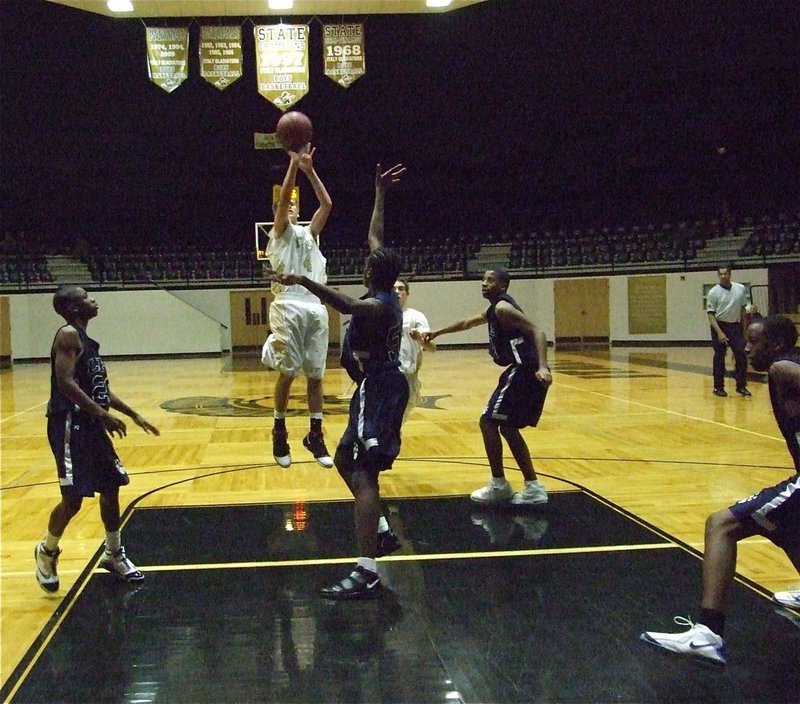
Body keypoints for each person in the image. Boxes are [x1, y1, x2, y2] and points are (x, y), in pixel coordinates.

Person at [272, 163, 408, 599]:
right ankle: (381, 530)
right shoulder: (382, 281)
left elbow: (345, 304)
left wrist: (301, 280)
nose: (365, 264)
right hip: (372, 387)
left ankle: (367, 566)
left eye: (368, 265)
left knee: (365, 474)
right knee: (347, 461)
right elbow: (376, 238)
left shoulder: (379, 305)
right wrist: (380, 193)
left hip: (381, 387)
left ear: (373, 276)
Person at [641, 314, 800, 665]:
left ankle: (707, 633)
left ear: (774, 344)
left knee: (721, 524)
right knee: (786, 528)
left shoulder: (783, 368)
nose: (744, 347)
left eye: (753, 341)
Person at [35, 286, 160, 593]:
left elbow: (100, 389)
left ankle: (113, 553)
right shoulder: (67, 335)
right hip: (69, 424)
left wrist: (132, 413)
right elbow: (64, 382)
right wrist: (102, 416)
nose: (94, 300)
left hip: (90, 424)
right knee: (74, 499)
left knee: (111, 485)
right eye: (87, 298)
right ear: (75, 309)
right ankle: (47, 551)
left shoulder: (86, 342)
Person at [424, 270, 552, 506]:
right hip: (521, 370)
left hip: (526, 370)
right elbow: (466, 323)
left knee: (488, 421)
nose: (484, 284)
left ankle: (500, 484)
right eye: (483, 280)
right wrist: (437, 333)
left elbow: (538, 331)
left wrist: (543, 367)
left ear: (503, 285)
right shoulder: (494, 310)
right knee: (507, 427)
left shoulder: (504, 309)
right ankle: (532, 486)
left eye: (490, 280)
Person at [262, 144, 334, 468]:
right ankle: (279, 430)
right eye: (283, 204)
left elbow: (327, 203)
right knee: (288, 373)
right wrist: (292, 165)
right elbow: (285, 196)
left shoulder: (310, 234)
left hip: (315, 305)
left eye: (292, 205)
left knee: (316, 376)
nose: (289, 206)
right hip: (288, 304)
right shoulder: (279, 233)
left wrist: (309, 170)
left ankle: (315, 434)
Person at [394, 278, 436, 422]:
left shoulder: (416, 316)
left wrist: (419, 338)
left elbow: (432, 348)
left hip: (407, 376)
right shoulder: (381, 313)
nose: (397, 292)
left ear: (407, 293)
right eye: (394, 288)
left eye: (401, 289)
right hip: (385, 374)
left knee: (398, 422)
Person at [706, 264, 751, 398]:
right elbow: (710, 315)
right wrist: (719, 332)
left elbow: (743, 310)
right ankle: (718, 387)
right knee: (720, 356)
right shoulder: (713, 292)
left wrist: (744, 330)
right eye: (721, 274)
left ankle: (741, 386)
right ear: (718, 275)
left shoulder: (740, 289)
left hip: (736, 326)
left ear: (730, 274)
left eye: (725, 274)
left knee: (741, 355)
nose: (723, 276)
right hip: (720, 325)